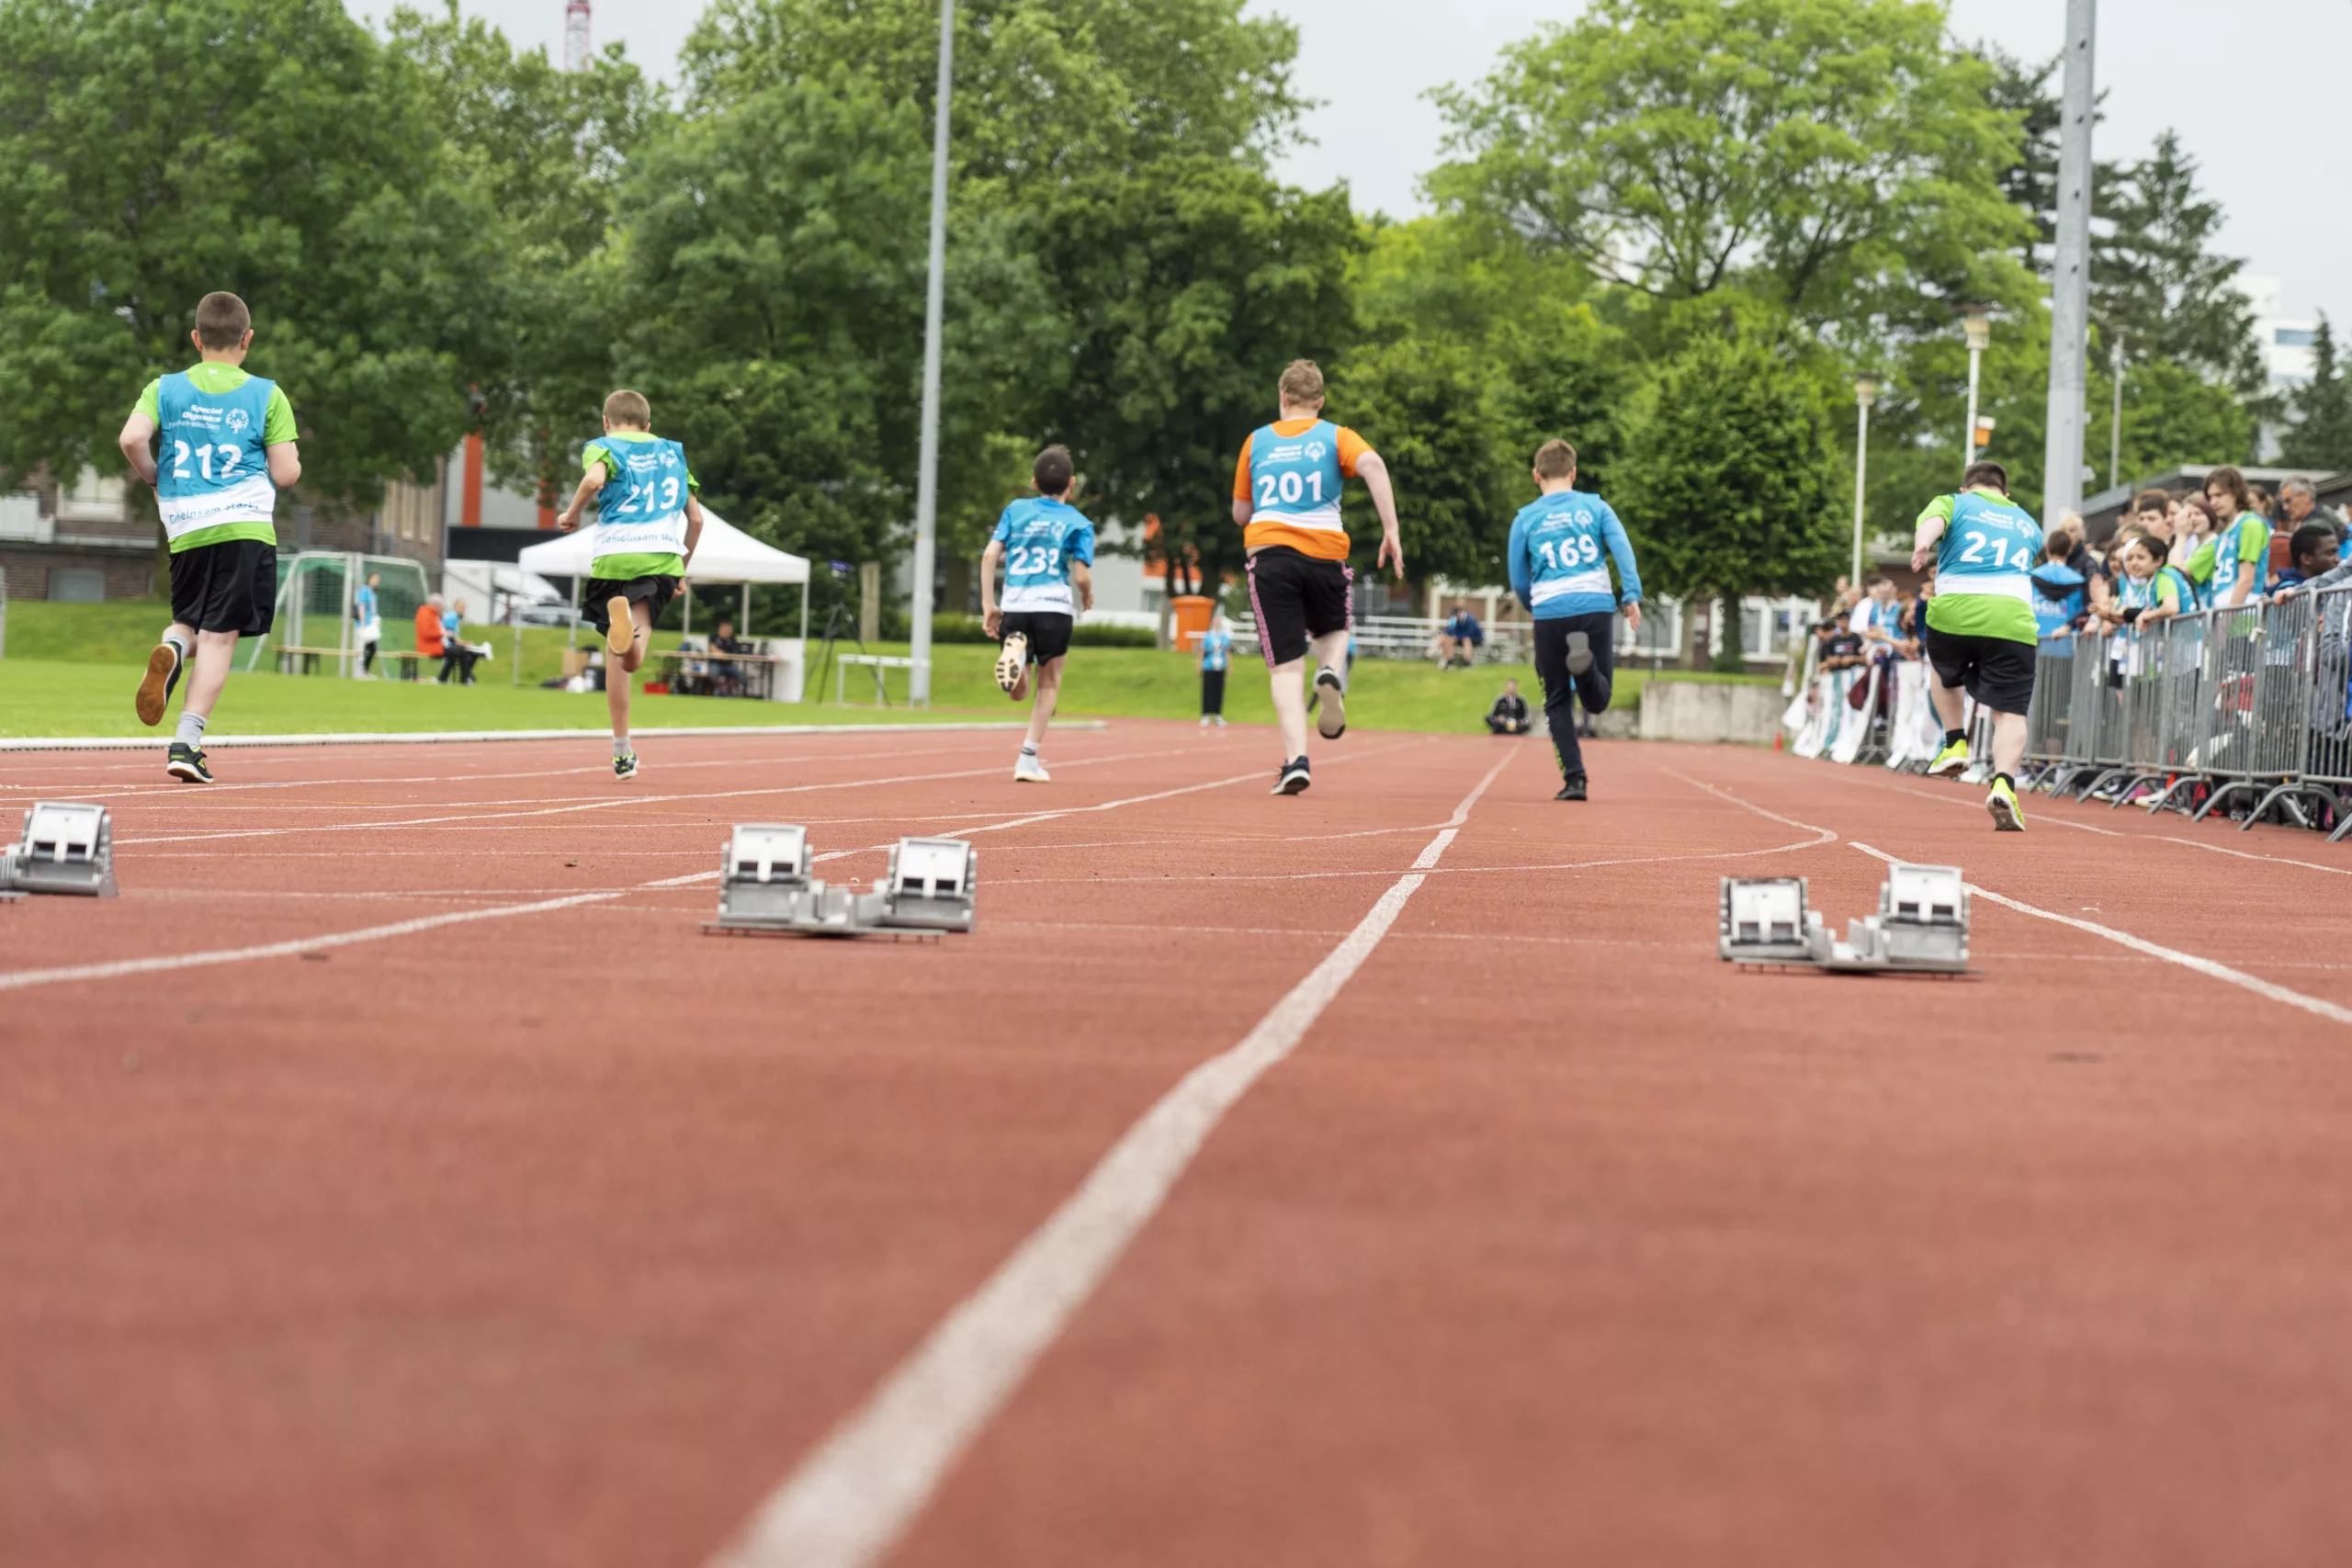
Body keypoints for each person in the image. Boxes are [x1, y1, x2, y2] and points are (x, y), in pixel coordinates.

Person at [119, 291, 301, 784]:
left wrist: (156, 476)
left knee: (188, 622)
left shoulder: (165, 388)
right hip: (243, 526)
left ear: (197, 338)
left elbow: (131, 439)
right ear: (247, 339)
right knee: (221, 637)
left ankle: (174, 649)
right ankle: (187, 742)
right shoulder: (267, 394)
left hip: (186, 524)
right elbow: (286, 474)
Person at [1229, 359, 1404, 795]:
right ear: (1320, 402)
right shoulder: (1336, 435)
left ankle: (1296, 762)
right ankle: (1329, 671)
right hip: (1325, 554)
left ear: (1282, 397)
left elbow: (1240, 513)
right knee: (1334, 630)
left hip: (1270, 557)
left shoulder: (1256, 442)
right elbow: (1374, 466)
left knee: (1285, 669)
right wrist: (1391, 530)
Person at [555, 389, 707, 781]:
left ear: (606, 422)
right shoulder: (671, 453)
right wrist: (681, 570)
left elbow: (593, 479)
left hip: (612, 558)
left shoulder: (603, 446)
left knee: (616, 659)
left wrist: (572, 514)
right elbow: (696, 521)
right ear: (648, 425)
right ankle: (628, 636)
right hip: (658, 558)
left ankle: (622, 751)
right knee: (632, 656)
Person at [1504, 438, 1644, 801]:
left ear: (1536, 475)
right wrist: (1630, 596)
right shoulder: (1596, 507)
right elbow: (1622, 550)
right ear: (1574, 472)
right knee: (1597, 701)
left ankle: (1575, 778)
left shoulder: (1525, 519)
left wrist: (1532, 604)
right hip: (1594, 605)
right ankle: (1584, 670)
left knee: (1555, 700)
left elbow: (1519, 578)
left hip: (1550, 609)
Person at [1912, 458, 2042, 830]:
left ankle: (1955, 741)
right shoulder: (2027, 522)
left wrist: (1924, 545)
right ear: (2006, 493)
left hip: (1956, 611)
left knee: (1943, 670)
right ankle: (2003, 783)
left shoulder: (1954, 502)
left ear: (1966, 488)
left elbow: (1933, 524)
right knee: (2010, 711)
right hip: (2012, 619)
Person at [981, 444, 1095, 783]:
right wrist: (1087, 595)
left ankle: (1016, 660)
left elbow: (990, 556)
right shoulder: (1079, 522)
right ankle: (1028, 758)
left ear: (1034, 483)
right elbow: (1081, 576)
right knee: (1050, 685)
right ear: (1071, 485)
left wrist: (989, 605)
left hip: (1015, 605)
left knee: (1019, 693)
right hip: (1053, 607)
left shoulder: (1016, 510)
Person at [2186, 465, 2270, 613]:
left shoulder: (2250, 524)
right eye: (2210, 497)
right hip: (2223, 612)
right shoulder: (2225, 533)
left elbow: (2246, 580)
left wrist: (2224, 623)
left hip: (2244, 616)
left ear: (2236, 493)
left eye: (2219, 495)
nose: (2213, 503)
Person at [2273, 524, 2343, 593]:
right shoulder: (2289, 596)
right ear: (2306, 559)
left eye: (2337, 552)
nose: (2338, 560)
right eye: (2330, 553)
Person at [1198, 611, 1232, 728]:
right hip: (1209, 666)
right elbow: (1202, 651)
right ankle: (1205, 714)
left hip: (1220, 666)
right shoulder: (1207, 636)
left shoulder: (1224, 637)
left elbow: (1227, 652)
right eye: (1215, 621)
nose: (1217, 623)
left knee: (1219, 691)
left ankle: (1218, 715)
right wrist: (1199, 665)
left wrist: (1229, 667)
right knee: (1207, 690)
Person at [436, 597, 481, 684]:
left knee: (469, 653)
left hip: (449, 644)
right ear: (455, 607)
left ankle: (465, 676)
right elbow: (450, 637)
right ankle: (466, 677)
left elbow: (454, 636)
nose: (462, 610)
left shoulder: (455, 617)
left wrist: (464, 643)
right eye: (460, 607)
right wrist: (464, 643)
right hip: (446, 645)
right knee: (471, 653)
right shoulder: (451, 618)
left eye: (464, 608)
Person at [355, 571, 382, 679]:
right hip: (365, 624)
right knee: (367, 648)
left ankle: (364, 671)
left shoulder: (372, 592)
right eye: (375, 579)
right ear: (369, 579)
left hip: (371, 624)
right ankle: (361, 672)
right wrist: (362, 623)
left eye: (378, 580)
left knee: (371, 648)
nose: (376, 582)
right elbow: (361, 605)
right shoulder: (364, 590)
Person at [1438, 604, 1484, 669]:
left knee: (1466, 640)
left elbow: (1470, 633)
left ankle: (1467, 662)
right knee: (1450, 640)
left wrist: (1457, 636)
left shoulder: (1470, 620)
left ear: (1460, 613)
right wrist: (1450, 635)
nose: (1456, 617)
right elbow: (1450, 630)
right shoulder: (1456, 620)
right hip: (1462, 638)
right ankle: (1449, 661)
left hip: (1475, 639)